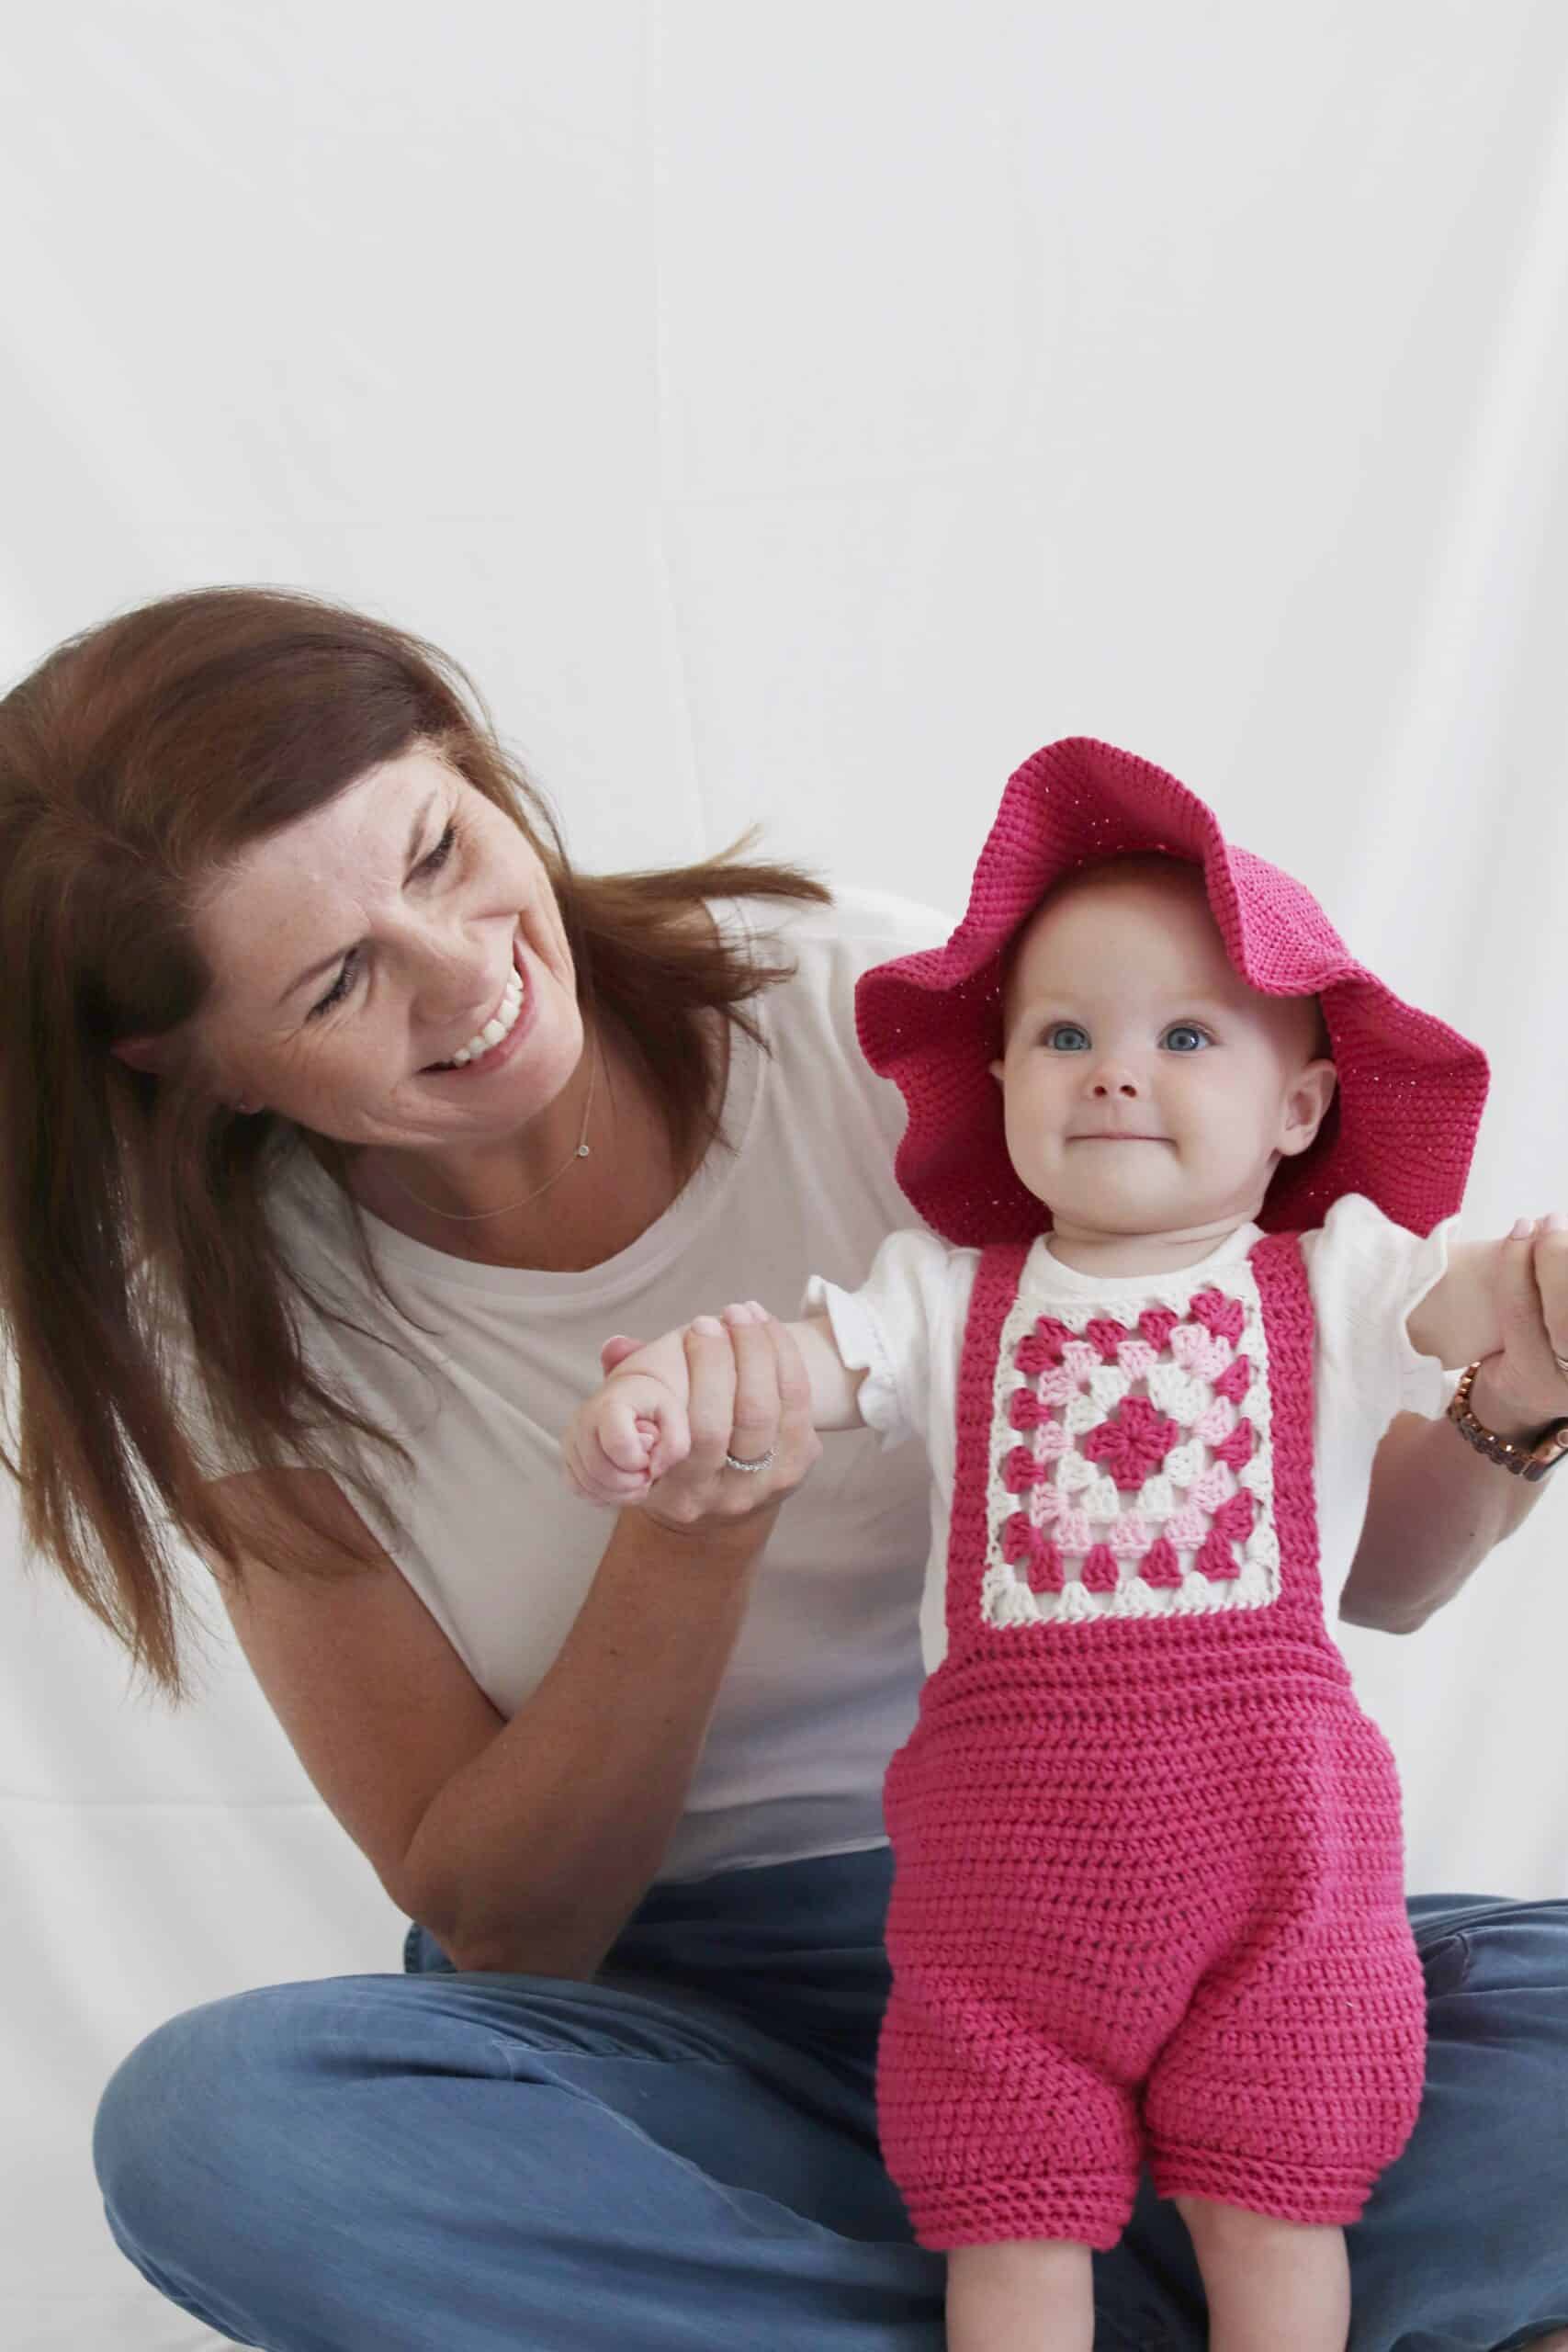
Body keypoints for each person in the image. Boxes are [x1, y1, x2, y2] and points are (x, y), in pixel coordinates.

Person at [0, 592, 1562, 2352]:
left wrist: (1521, 1401)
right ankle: (1205, 2283)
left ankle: (1040, 2275)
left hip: (1172, 1903)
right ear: (183, 1065)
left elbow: (1342, 1563)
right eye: (339, 981)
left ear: (470, 764)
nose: (465, 974)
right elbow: (507, 1918)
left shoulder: (878, 1030)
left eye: (440, 851)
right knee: (223, 2131)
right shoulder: (242, 1335)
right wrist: (686, 1550)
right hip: (696, 2032)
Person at [564, 737, 1564, 2352]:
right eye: (1064, 1035)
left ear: (1299, 1101)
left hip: (1280, 1863)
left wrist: (1543, 1292)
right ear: (1004, 1081)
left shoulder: (1337, 1280)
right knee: (1006, 2214)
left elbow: (1488, 1309)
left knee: (1280, 2193)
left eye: (1184, 1035)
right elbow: (798, 1374)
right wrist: (679, 1394)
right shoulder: (946, 1297)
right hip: (999, 1885)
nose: (1115, 1070)